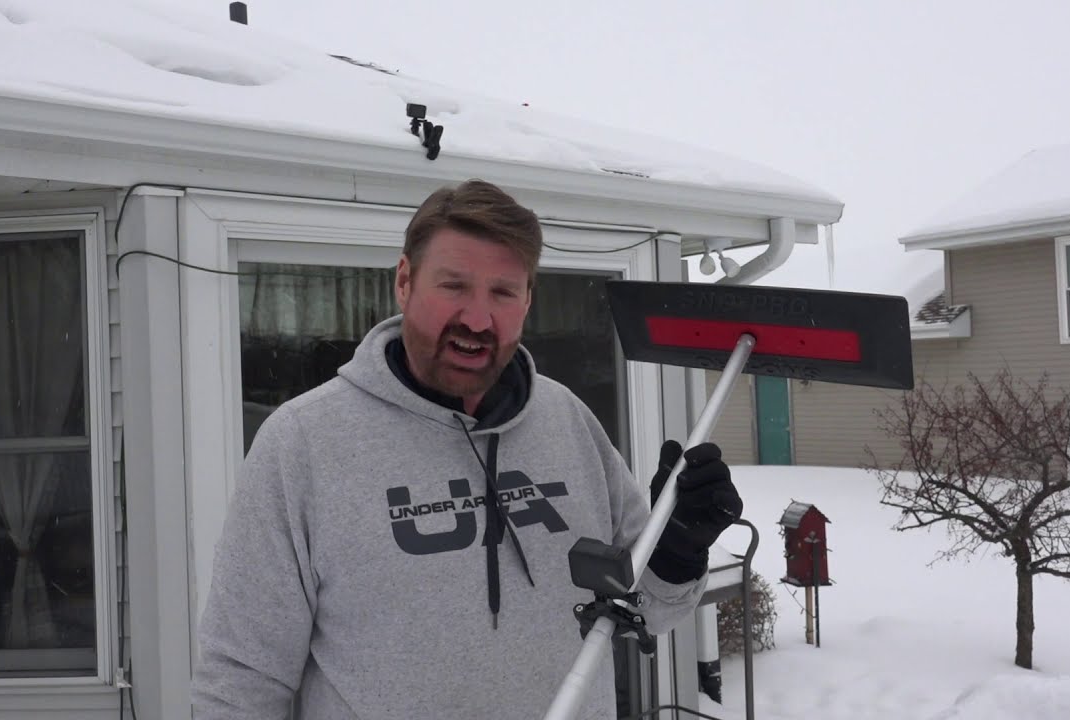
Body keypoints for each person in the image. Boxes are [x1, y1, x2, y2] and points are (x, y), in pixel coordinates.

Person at [191, 179, 743, 719]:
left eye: (502, 292)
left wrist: (676, 547)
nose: (478, 320)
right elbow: (242, 677)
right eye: (454, 285)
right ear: (404, 281)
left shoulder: (567, 421)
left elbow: (644, 609)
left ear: (527, 300)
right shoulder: (303, 444)